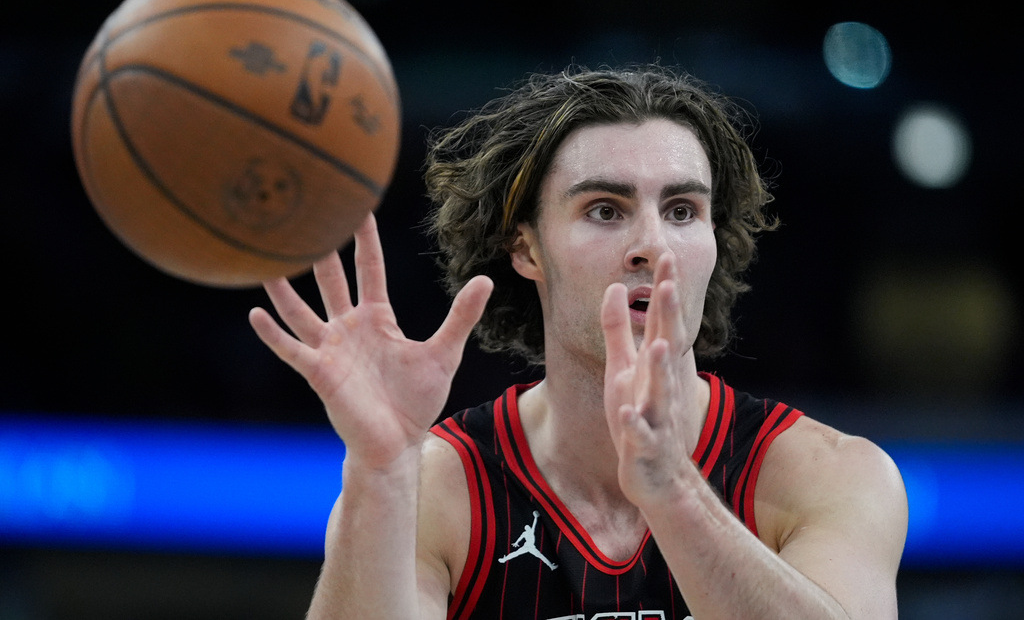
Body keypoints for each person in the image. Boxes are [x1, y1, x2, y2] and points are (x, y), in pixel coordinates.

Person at [248, 63, 908, 619]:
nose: (653, 245)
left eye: (682, 210)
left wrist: (671, 490)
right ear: (525, 245)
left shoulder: (836, 475)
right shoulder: (437, 487)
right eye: (605, 210)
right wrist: (381, 471)